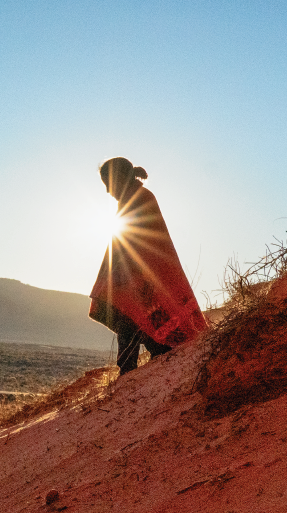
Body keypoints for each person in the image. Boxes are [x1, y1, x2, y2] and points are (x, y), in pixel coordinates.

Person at [89, 158, 207, 375]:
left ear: (120, 178)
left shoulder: (140, 198)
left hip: (143, 275)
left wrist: (125, 271)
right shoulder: (131, 199)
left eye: (108, 183)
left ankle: (134, 368)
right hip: (133, 275)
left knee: (133, 315)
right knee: (129, 315)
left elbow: (141, 241)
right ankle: (135, 366)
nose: (107, 190)